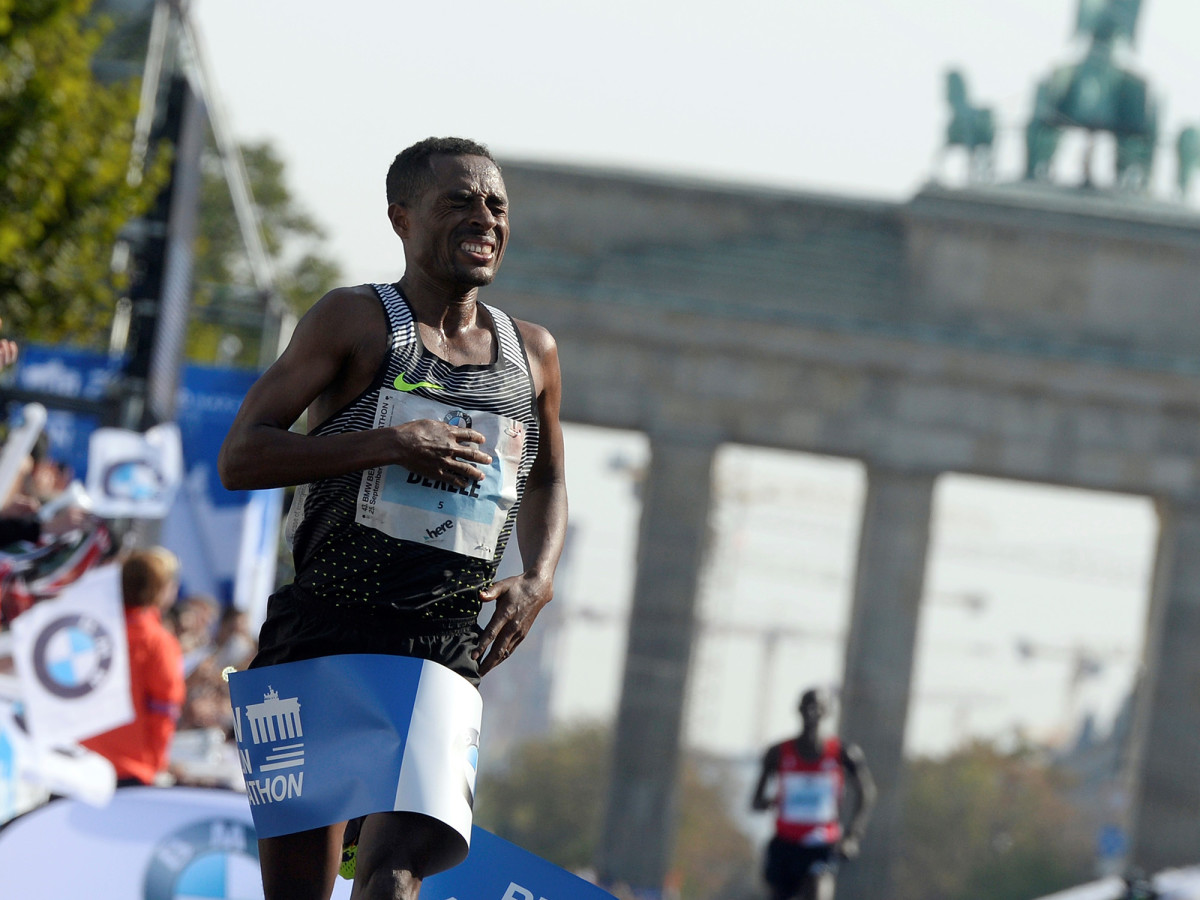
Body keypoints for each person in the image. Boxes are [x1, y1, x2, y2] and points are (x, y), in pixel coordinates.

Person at [218, 136, 567, 900]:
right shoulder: (354, 321)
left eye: (497, 205)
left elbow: (546, 482)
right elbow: (241, 456)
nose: (485, 217)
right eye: (460, 201)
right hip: (323, 630)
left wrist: (537, 580)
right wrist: (387, 442)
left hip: (441, 642)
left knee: (392, 878)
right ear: (401, 219)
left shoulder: (531, 352)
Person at [751, 688, 877, 900]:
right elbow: (756, 801)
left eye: (818, 708)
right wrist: (771, 802)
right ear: (798, 710)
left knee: (819, 892)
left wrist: (853, 836)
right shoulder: (778, 753)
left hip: (821, 845)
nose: (811, 713)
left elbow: (867, 792)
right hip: (785, 844)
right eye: (807, 707)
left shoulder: (843, 753)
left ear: (827, 712)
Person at [81, 547, 186, 786]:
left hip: (79, 760)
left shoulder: (90, 630)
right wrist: (157, 763)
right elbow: (165, 706)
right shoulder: (157, 642)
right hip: (129, 767)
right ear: (161, 589)